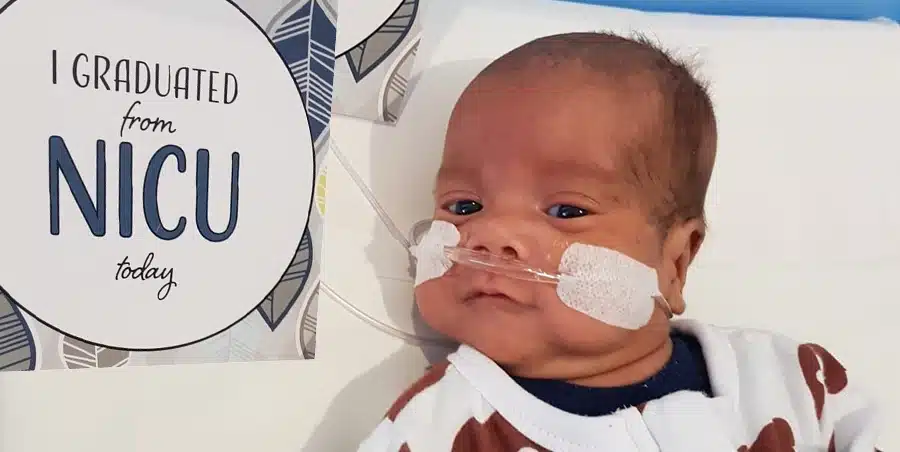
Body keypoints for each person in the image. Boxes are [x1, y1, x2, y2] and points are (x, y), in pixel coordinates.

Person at [357, 32, 881, 452]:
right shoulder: (438, 427)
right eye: (464, 207)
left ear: (674, 264)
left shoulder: (792, 383)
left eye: (566, 211)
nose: (490, 237)